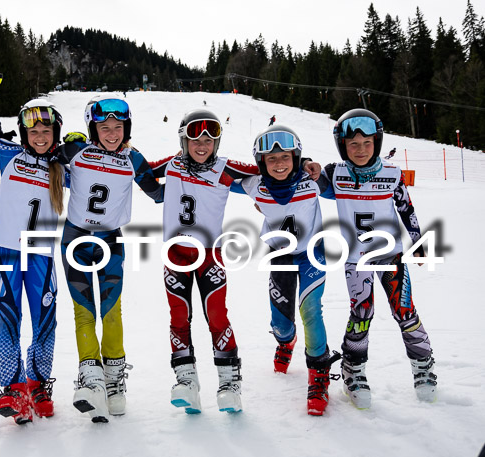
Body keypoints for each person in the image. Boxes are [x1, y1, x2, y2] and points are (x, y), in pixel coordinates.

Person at [149, 111, 320, 415]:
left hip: (210, 253)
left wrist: (304, 163)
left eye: (208, 140)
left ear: (216, 143)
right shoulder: (172, 164)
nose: (201, 146)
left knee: (217, 315)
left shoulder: (224, 168)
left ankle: (230, 384)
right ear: (183, 140)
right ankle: (186, 381)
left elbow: (267, 165)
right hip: (174, 253)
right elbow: (137, 170)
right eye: (194, 139)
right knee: (179, 316)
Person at [0, 70, 66, 424]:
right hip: (4, 251)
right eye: (33, 132)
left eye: (46, 132)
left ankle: (37, 382)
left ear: (55, 135)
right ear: (23, 133)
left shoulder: (63, 165)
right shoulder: (9, 154)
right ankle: (14, 388)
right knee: (9, 321)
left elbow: (104, 173)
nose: (39, 137)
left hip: (41, 255)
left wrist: (79, 145)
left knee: (45, 323)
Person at [318, 108, 437, 409]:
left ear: (378, 142)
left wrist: (419, 241)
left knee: (405, 310)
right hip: (356, 259)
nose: (360, 149)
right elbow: (301, 187)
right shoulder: (335, 174)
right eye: (353, 144)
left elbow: (407, 210)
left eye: (367, 142)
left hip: (390, 254)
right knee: (362, 313)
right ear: (342, 145)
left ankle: (423, 366)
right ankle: (353, 370)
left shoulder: (393, 175)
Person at [57, 94, 164, 423]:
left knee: (111, 310)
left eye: (119, 126)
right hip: (75, 238)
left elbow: (158, 192)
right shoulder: (76, 151)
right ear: (93, 128)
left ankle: (114, 382)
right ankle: (91, 380)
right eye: (105, 127)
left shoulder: (133, 157)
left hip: (110, 239)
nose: (112, 133)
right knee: (83, 311)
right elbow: (38, 152)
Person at [238, 125, 339, 416]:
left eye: (285, 157)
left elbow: (341, 182)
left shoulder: (311, 178)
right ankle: (286, 341)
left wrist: (318, 168)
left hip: (311, 254)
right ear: (261, 163)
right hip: (280, 255)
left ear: (296, 157)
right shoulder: (253, 183)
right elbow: (217, 176)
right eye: (271, 159)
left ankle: (318, 375)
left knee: (311, 311)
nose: (279, 164)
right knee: (281, 323)